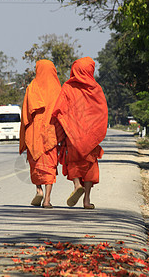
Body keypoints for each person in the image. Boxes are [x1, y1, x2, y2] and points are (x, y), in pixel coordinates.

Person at [52, 56, 108, 209]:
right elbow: (102, 112)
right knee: (90, 165)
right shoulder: (96, 89)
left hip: (73, 133)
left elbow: (59, 109)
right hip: (90, 135)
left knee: (73, 161)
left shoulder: (68, 87)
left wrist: (63, 127)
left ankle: (77, 185)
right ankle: (87, 200)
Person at [19, 59, 62, 208]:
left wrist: (26, 132)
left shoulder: (32, 88)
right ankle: (47, 200)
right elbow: (62, 113)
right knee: (49, 166)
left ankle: (38, 190)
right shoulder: (58, 89)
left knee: (36, 164)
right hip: (51, 132)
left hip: (34, 132)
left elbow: (25, 114)